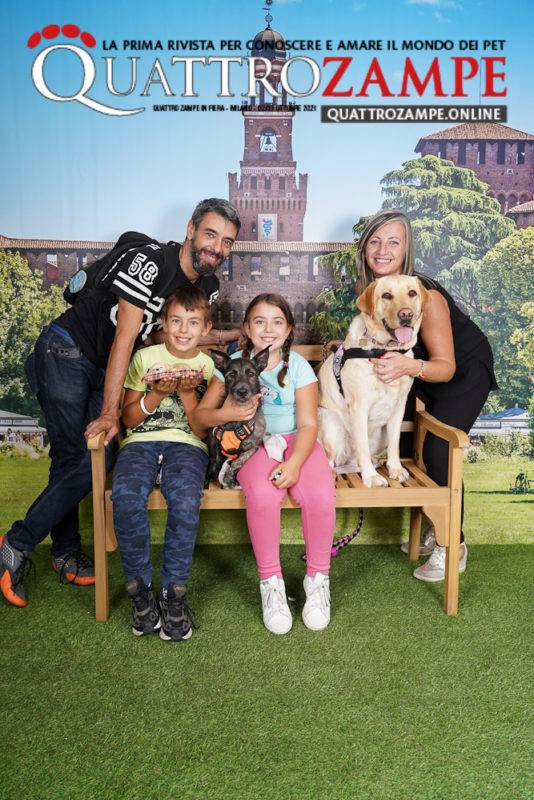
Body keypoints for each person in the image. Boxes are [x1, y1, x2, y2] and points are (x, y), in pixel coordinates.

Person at [0, 198, 241, 608]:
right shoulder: (151, 261)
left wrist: (224, 337)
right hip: (68, 350)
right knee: (82, 456)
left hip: (104, 365)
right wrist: (111, 412)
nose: (217, 248)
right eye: (211, 235)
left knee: (80, 459)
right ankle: (17, 543)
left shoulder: (206, 286)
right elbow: (126, 337)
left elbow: (163, 335)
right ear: (190, 229)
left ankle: (62, 553)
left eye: (227, 242)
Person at [356, 209, 497, 582]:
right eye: (375, 240)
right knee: (413, 446)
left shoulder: (426, 295)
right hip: (418, 370)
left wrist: (405, 368)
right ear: (364, 248)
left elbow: (444, 367)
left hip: (461, 370)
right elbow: (381, 341)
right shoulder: (371, 292)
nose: (383, 249)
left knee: (438, 451)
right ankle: (434, 530)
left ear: (406, 251)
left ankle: (453, 546)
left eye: (393, 242)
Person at [194, 293, 336, 634]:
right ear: (246, 328)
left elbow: (308, 424)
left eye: (277, 322)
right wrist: (227, 413)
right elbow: (200, 417)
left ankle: (317, 580)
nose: (268, 329)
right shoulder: (232, 363)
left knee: (319, 494)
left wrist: (295, 463)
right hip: (252, 443)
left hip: (296, 441)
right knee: (260, 494)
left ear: (289, 330)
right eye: (259, 321)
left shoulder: (298, 366)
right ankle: (271, 584)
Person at [112, 286, 214, 641]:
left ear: (206, 328)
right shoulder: (144, 358)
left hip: (187, 446)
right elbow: (127, 420)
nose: (184, 329)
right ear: (164, 323)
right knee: (125, 499)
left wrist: (186, 392)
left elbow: (201, 431)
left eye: (193, 322)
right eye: (176, 321)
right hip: (140, 443)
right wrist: (156, 393)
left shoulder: (209, 366)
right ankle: (140, 593)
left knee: (186, 501)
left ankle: (174, 594)